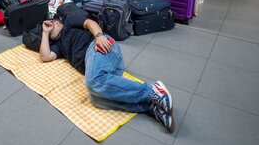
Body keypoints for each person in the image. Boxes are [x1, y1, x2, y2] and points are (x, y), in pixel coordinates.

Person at [38, 16, 175, 133]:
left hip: (98, 46)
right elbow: (45, 56)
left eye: (51, 27)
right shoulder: (58, 45)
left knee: (93, 82)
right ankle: (150, 105)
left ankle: (152, 91)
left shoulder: (68, 21)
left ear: (57, 23)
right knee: (96, 100)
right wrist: (45, 33)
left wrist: (99, 36)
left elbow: (90, 23)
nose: (50, 33)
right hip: (103, 66)